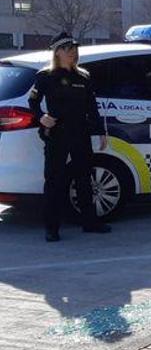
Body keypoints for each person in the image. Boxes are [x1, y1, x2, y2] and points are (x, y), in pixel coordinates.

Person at [28, 32, 111, 242]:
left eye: (74, 48)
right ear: (57, 52)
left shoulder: (83, 76)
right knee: (54, 180)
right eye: (68, 49)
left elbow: (92, 107)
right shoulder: (45, 76)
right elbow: (33, 102)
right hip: (57, 134)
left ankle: (89, 222)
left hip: (80, 133)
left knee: (85, 178)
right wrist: (41, 117)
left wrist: (100, 131)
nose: (73, 52)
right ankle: (52, 227)